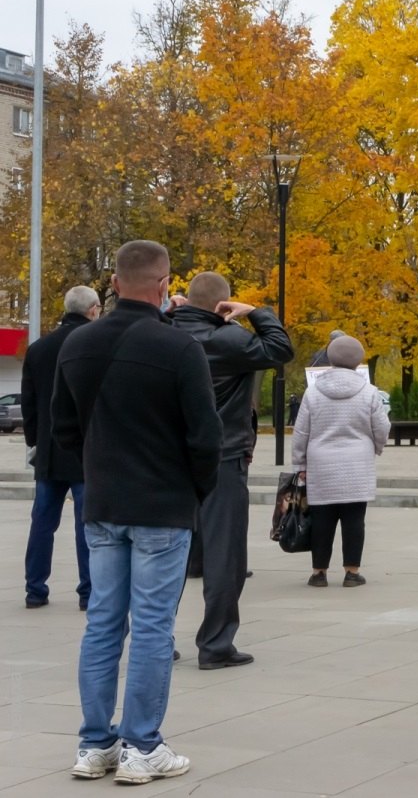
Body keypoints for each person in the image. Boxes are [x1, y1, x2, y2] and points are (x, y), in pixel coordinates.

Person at [53, 240, 221, 784]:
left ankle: (95, 742)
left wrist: (97, 471)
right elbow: (205, 435)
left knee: (102, 622)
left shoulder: (76, 346)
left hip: (103, 503)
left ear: (115, 283)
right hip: (162, 504)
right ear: (162, 284)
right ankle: (143, 744)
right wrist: (195, 491)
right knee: (151, 627)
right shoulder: (177, 349)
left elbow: (63, 429)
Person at [169, 272, 293, 669]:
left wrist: (164, 310)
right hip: (223, 456)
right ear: (224, 304)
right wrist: (256, 312)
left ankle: (156, 639)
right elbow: (280, 348)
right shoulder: (229, 339)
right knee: (225, 556)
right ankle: (216, 644)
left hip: (170, 459)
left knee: (165, 552)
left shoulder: (163, 334)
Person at [21, 285, 101, 610]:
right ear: (94, 309)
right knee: (87, 522)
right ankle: (88, 591)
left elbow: (28, 402)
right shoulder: (94, 345)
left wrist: (35, 441)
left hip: (49, 452)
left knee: (42, 520)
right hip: (85, 450)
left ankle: (35, 589)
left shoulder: (39, 348)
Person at [292, 335, 390, 588]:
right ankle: (352, 571)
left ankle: (319, 572)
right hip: (357, 464)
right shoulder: (369, 393)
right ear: (358, 360)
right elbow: (381, 427)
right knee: (354, 520)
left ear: (330, 358)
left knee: (322, 520)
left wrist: (300, 464)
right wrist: (377, 447)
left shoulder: (313, 393)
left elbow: (301, 431)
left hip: (321, 465)